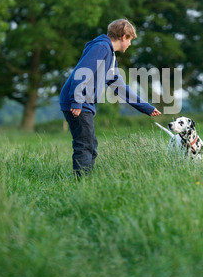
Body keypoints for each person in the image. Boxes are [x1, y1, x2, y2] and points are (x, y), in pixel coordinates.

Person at [60, 19, 161, 177]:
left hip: (82, 101)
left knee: (91, 147)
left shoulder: (110, 56)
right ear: (122, 36)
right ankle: (80, 184)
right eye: (130, 40)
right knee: (85, 146)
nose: (130, 44)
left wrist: (146, 107)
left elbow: (120, 87)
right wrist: (77, 101)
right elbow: (82, 72)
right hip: (78, 101)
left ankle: (84, 180)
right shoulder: (101, 47)